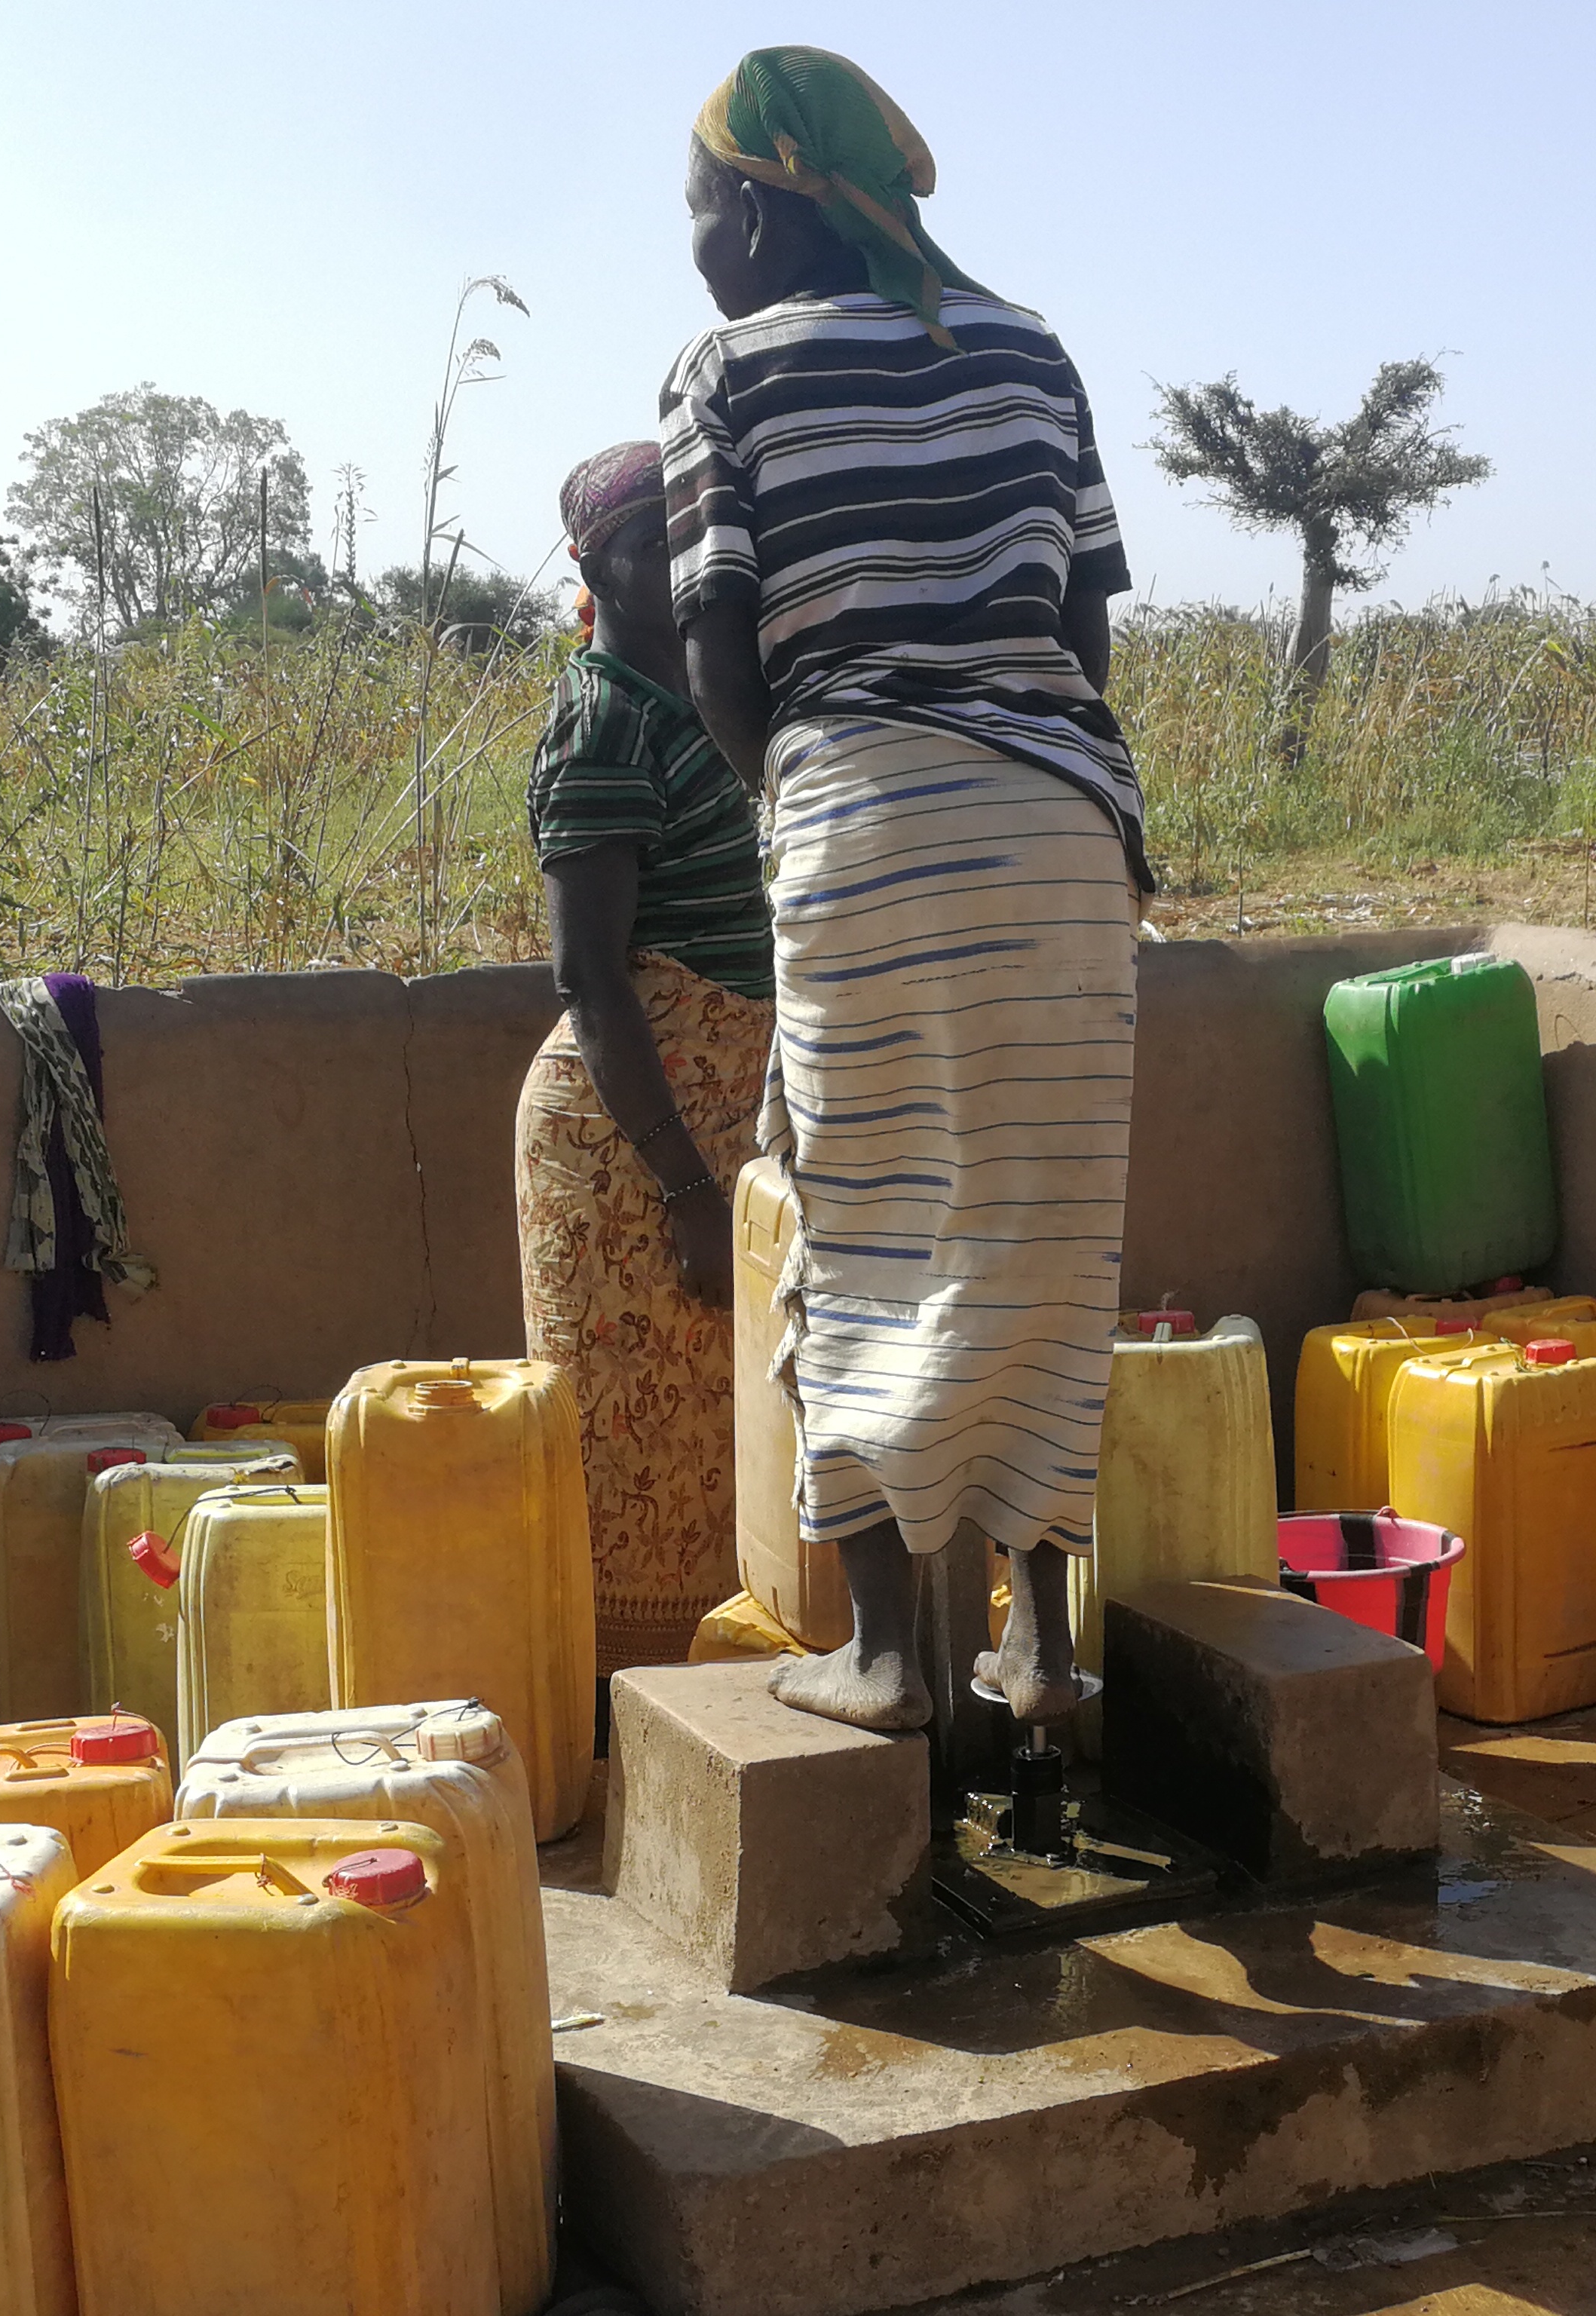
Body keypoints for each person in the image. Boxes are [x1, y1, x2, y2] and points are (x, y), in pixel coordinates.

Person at [660, 45, 1144, 1732]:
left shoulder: (727, 369)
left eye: (708, 207)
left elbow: (719, 660)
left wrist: (807, 804)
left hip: (867, 822)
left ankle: (882, 1657)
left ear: (777, 206)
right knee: (1046, 1244)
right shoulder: (1027, 347)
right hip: (1064, 835)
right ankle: (1049, 1651)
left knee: (853, 1224)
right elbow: (1081, 630)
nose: (700, 244)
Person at [515, 440, 778, 1677]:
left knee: (727, 1454)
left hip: (719, 1137)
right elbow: (589, 976)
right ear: (601, 564)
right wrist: (684, 1190)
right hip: (633, 1159)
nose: (683, 563)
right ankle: (632, 1746)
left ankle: (716, 1731)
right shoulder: (602, 719)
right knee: (635, 1481)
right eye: (654, 544)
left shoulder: (710, 690)